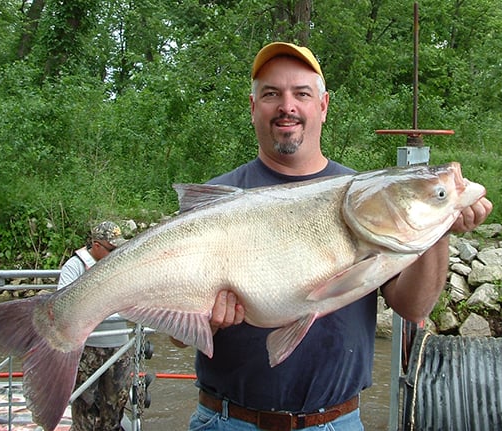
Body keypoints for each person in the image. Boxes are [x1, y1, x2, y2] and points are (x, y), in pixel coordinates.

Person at [178, 42, 493, 431]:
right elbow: (174, 339)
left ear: (323, 105)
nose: (287, 106)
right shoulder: (214, 203)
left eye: (301, 94)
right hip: (226, 421)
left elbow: (413, 308)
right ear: (253, 106)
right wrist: (205, 321)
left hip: (337, 421)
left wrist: (440, 224)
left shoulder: (368, 197)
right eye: (272, 94)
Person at [57, 221, 131, 431]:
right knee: (85, 404)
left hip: (119, 346)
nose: (117, 253)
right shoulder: (75, 266)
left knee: (116, 401)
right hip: (88, 347)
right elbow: (64, 303)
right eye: (112, 249)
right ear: (96, 245)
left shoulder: (123, 265)